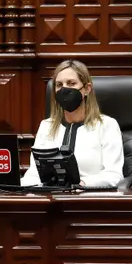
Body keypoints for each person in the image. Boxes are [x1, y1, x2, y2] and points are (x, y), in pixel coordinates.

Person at [21, 60, 124, 188]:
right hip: (51, 198)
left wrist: (82, 184)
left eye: (71, 83)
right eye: (59, 85)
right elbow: (34, 173)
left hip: (89, 197)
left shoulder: (107, 125)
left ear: (86, 89)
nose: (64, 89)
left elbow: (114, 175)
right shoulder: (46, 126)